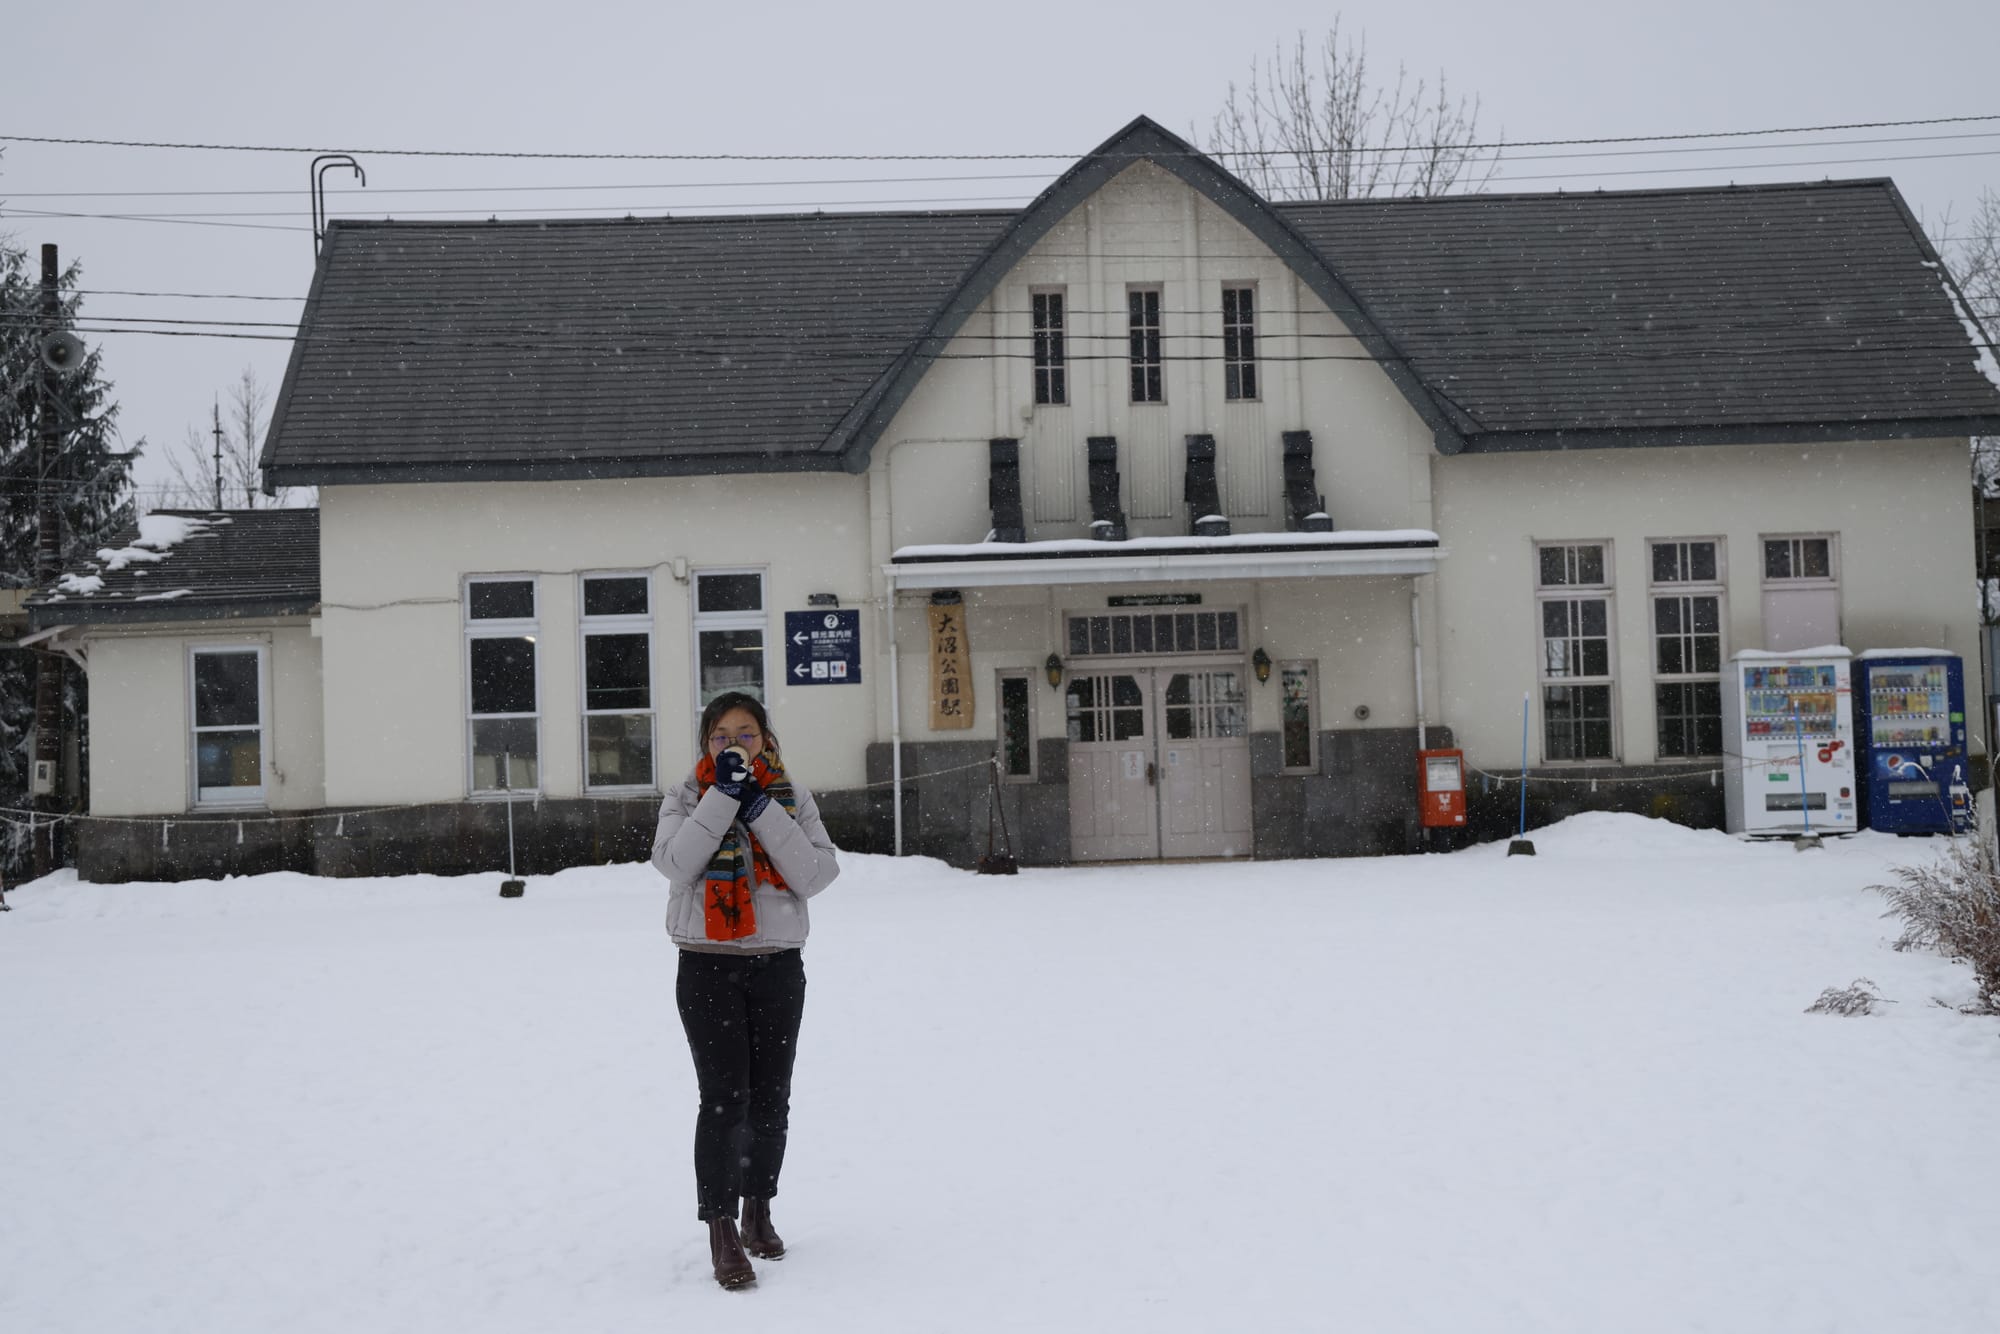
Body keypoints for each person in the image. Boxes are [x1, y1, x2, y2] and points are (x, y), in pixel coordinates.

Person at [651, 691, 840, 1290]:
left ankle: (759, 1206)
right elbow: (677, 864)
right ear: (706, 744)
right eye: (720, 735)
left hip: (778, 964)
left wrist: (758, 805)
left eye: (747, 733)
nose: (734, 743)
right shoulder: (684, 797)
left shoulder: (791, 797)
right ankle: (722, 1227)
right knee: (724, 1100)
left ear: (766, 741)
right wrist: (723, 797)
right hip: (707, 965)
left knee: (771, 1098)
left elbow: (815, 873)